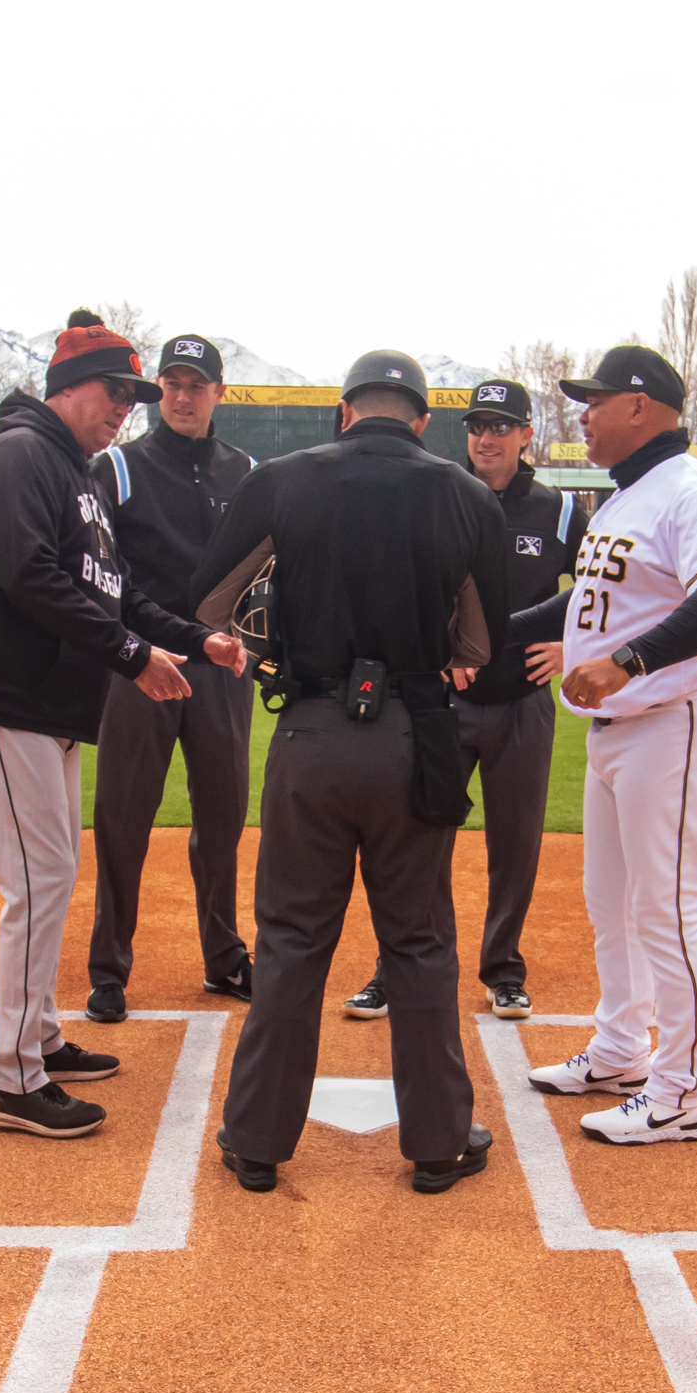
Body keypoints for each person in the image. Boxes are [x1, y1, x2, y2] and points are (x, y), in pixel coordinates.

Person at [191, 350, 512, 1195]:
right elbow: (482, 643)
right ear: (419, 420)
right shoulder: (463, 492)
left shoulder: (284, 481)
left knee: (293, 940)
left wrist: (272, 641)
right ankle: (439, 1141)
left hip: (310, 733)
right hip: (414, 735)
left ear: (343, 412)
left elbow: (212, 603)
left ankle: (256, 1139)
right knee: (420, 942)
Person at [0, 311, 247, 1139]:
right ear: (69, 388)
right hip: (9, 697)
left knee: (52, 876)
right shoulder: (20, 454)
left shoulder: (72, 471)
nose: (127, 409)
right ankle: (14, 1078)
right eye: (117, 392)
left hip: (49, 708)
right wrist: (132, 655)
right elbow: (28, 573)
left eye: (131, 397)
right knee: (35, 884)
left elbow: (120, 595)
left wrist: (194, 639)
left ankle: (37, 1040)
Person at [517, 345, 697, 1143]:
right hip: (623, 732)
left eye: (595, 398)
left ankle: (684, 1090)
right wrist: (476, 641)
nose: (582, 413)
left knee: (669, 909)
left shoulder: (692, 490)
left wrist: (627, 662)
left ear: (641, 406)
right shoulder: (624, 499)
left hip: (676, 722)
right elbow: (582, 609)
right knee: (610, 904)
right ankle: (621, 1048)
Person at [342, 377, 579, 1023]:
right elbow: (404, 585)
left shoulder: (559, 511)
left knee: (516, 843)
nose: (487, 437)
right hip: (446, 700)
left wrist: (574, 649)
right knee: (419, 838)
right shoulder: (439, 493)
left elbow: (604, 591)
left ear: (527, 435)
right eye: (478, 425)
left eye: (501, 426)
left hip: (524, 702)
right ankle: (398, 966)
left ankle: (504, 969)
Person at [84, 334, 259, 1024]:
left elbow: (262, 565)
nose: (184, 396)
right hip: (139, 663)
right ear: (160, 391)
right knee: (123, 818)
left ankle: (223, 957)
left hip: (222, 667)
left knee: (223, 815)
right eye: (174, 384)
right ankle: (109, 967)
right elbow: (106, 576)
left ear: (220, 392)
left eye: (198, 384)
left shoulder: (245, 470)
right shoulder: (118, 468)